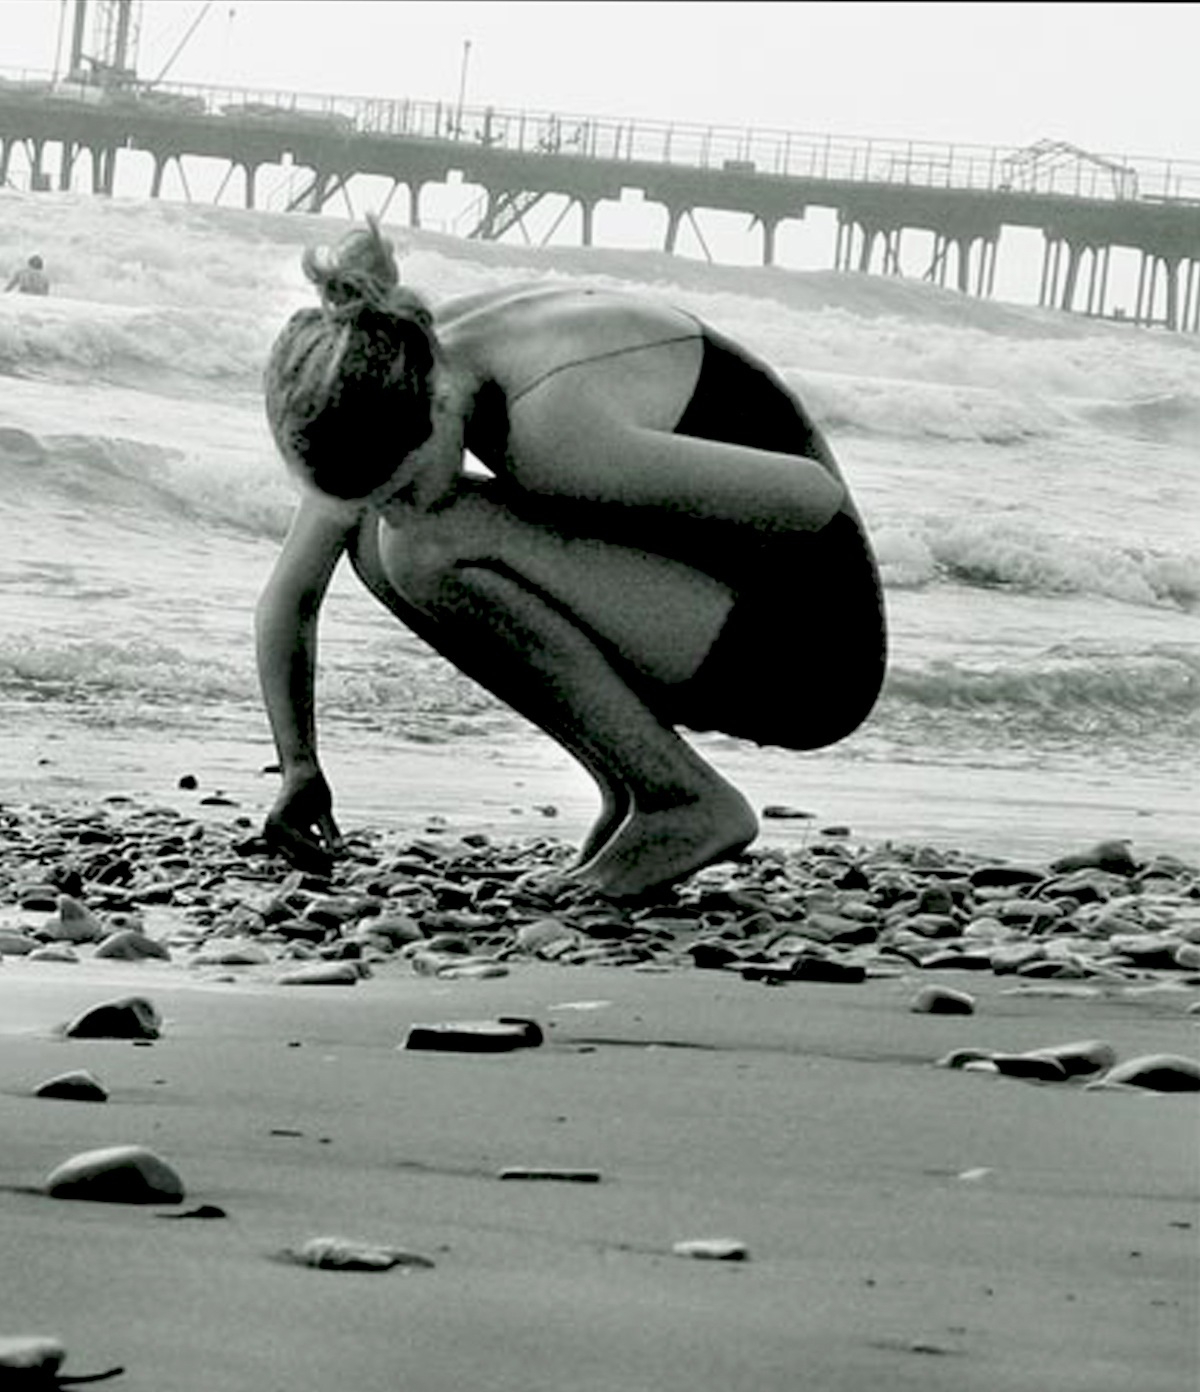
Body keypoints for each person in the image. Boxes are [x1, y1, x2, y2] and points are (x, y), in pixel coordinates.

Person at [257, 218, 886, 900]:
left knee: (424, 548)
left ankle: (682, 800)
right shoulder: (394, 361)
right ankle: (635, 790)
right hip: (702, 609)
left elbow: (813, 500)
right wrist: (299, 767)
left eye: (403, 487)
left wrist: (602, 507)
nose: (398, 508)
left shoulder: (556, 430)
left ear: (436, 405)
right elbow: (293, 596)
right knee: (380, 543)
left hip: (811, 652)